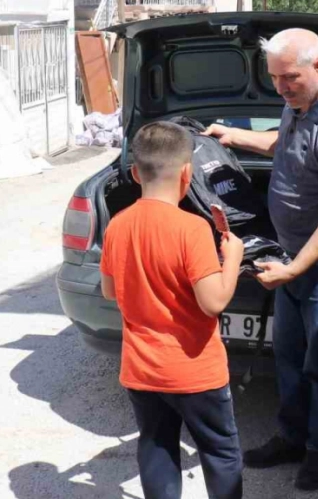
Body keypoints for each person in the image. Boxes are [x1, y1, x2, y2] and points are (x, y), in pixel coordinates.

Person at [203, 28, 318, 491]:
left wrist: (296, 269)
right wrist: (232, 135)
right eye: (275, 78)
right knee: (290, 359)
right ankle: (292, 438)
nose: (280, 87)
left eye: (289, 77)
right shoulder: (299, 105)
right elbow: (283, 144)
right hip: (292, 260)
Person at [100, 121, 246, 499]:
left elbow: (109, 291)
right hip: (196, 371)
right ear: (187, 172)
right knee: (219, 450)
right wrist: (232, 257)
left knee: (157, 447)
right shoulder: (193, 229)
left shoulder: (117, 225)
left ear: (135, 173)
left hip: (142, 370)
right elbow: (213, 302)